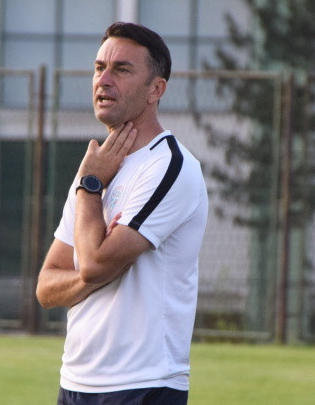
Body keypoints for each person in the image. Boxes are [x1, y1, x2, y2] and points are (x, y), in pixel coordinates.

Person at [36, 22, 208, 405]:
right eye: (99, 68)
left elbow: (93, 263)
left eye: (122, 69)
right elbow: (46, 287)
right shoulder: (96, 169)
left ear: (156, 89)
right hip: (76, 381)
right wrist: (91, 278)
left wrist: (91, 187)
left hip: (143, 383)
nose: (104, 80)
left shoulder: (170, 166)